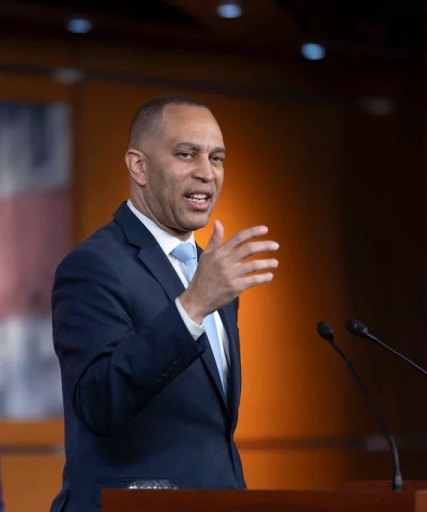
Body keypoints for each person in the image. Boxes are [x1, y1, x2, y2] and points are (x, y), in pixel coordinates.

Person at [50, 96, 279, 512]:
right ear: (139, 166)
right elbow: (99, 402)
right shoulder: (91, 267)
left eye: (217, 158)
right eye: (186, 154)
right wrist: (191, 308)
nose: (206, 173)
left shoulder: (209, 272)